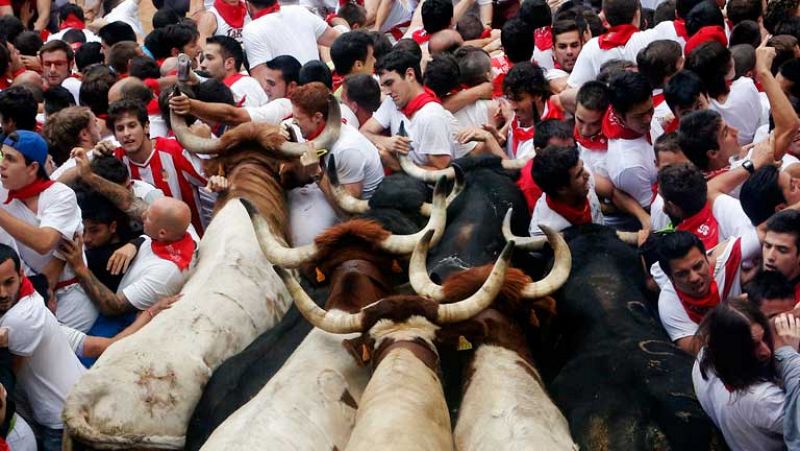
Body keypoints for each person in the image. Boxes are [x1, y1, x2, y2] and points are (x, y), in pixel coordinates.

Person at [0, 131, 98, 332]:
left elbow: (44, 242)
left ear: (32, 168)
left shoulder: (60, 195)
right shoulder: (4, 187)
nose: (2, 164)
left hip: (71, 296)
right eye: (1, 156)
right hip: (23, 291)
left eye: (10, 159)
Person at [0, 243, 85, 451]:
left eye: (8, 282)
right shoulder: (25, 295)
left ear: (21, 276)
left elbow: (7, 380)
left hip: (61, 419)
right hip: (74, 400)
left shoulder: (19, 318)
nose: (2, 293)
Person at [61, 197, 195, 315]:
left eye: (148, 217)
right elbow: (130, 203)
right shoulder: (181, 231)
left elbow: (114, 307)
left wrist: (80, 268)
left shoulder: (164, 274)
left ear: (162, 233)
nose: (142, 216)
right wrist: (135, 243)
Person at [693, 299, 789, 451]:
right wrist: (789, 354)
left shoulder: (703, 357)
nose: (766, 351)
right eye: (752, 346)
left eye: (764, 338)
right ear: (732, 352)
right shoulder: (762, 398)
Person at [650, 230, 761, 354]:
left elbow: (771, 231)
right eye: (682, 274)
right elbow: (696, 350)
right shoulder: (670, 304)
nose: (694, 278)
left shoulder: (727, 258)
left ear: (707, 258)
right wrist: (730, 314)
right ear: (670, 277)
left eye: (698, 266)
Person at [107, 99, 208, 234]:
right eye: (120, 128)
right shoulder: (114, 160)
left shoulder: (175, 151)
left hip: (189, 240)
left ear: (146, 127)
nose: (126, 133)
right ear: (114, 135)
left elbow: (210, 181)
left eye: (132, 126)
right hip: (144, 245)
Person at [361, 50, 471, 171]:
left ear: (410, 75)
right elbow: (364, 132)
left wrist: (397, 165)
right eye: (384, 86)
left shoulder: (432, 116)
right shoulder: (392, 102)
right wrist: (386, 142)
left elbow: (441, 172)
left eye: (390, 83)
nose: (386, 91)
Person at [652, 163, 753, 248]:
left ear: (673, 207)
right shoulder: (719, 205)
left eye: (663, 198)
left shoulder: (686, 247)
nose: (663, 209)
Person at [242, 0, 339, 88]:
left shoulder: (252, 29)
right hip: (320, 88)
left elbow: (261, 79)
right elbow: (339, 40)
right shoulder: (299, 11)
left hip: (292, 98)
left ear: (249, 5)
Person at [603, 71, 660, 208]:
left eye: (650, 110)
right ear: (618, 114)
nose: (648, 119)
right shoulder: (628, 166)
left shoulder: (640, 121)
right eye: (639, 116)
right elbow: (653, 209)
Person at [529, 145, 604, 235]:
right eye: (579, 175)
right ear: (561, 189)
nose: (587, 174)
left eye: (582, 166)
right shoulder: (545, 232)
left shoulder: (583, 177)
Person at [501, 61, 564, 160]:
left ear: (538, 95)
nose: (513, 107)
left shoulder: (550, 138)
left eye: (519, 99)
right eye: (510, 98)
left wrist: (491, 142)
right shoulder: (515, 116)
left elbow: (516, 171)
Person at [199, 36, 268, 108]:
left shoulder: (242, 86)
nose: (202, 65)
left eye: (210, 58)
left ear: (229, 63)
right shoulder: (213, 88)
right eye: (203, 59)